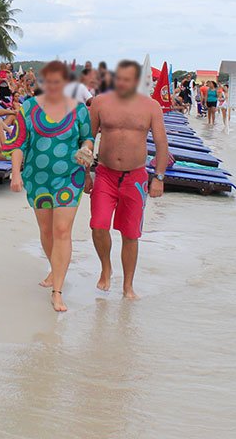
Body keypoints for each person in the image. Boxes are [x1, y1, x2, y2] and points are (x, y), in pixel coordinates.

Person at [9, 60, 94, 313]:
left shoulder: (79, 109)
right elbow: (19, 143)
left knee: (62, 230)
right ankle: (55, 268)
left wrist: (87, 149)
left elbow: (87, 137)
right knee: (46, 231)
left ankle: (57, 290)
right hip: (37, 178)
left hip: (70, 176)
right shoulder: (28, 108)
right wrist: (16, 173)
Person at [87, 59, 168, 300]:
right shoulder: (100, 103)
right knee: (98, 225)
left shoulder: (151, 107)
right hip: (105, 174)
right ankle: (106, 268)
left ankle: (128, 286)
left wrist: (159, 178)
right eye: (119, 78)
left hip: (135, 177)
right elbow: (87, 140)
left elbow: (162, 144)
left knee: (130, 234)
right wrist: (84, 174)